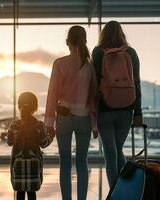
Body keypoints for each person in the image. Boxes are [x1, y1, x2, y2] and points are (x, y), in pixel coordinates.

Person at [45, 25, 99, 200]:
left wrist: (49, 123)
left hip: (64, 118)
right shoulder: (90, 67)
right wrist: (95, 125)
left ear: (68, 41)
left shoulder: (60, 64)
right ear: (84, 41)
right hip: (84, 119)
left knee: (65, 163)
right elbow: (93, 99)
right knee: (82, 162)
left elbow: (52, 95)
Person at [91, 20, 143, 187]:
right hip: (126, 108)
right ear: (122, 33)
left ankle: (115, 192)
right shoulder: (131, 52)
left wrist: (93, 112)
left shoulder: (98, 52)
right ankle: (126, 189)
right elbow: (137, 83)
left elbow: (94, 84)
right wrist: (138, 112)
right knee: (118, 149)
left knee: (110, 152)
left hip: (105, 109)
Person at [7, 92, 54, 200]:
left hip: (18, 165)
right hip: (34, 166)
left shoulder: (14, 125)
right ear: (35, 107)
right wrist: (51, 136)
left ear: (19, 106)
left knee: (19, 193)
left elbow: (9, 142)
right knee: (32, 193)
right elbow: (44, 143)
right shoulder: (39, 125)